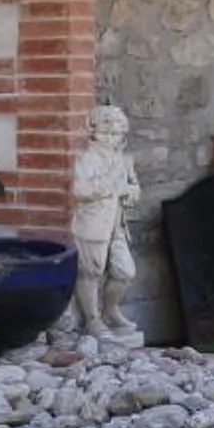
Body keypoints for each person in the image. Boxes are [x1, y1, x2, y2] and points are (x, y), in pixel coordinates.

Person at [68, 103, 143, 338]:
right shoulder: (86, 159)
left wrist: (131, 192)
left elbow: (134, 187)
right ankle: (92, 319)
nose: (113, 136)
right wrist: (112, 183)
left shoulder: (124, 159)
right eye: (107, 130)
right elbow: (80, 191)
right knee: (91, 272)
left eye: (118, 132)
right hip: (92, 223)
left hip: (117, 225)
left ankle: (111, 310)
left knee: (125, 271)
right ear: (94, 130)